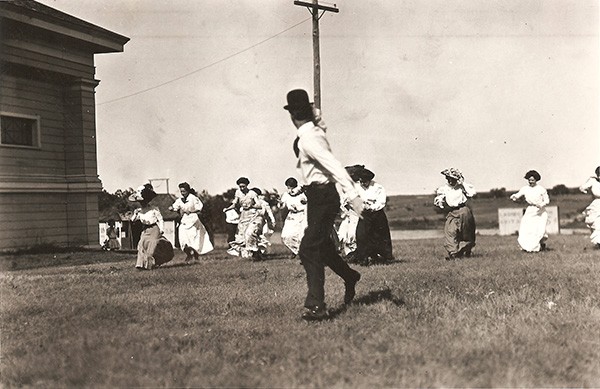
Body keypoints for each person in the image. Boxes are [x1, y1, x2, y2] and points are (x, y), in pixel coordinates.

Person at [284, 89, 363, 321]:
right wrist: (315, 115)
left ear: (292, 115)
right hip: (318, 197)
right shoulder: (315, 130)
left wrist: (353, 196)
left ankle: (316, 305)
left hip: (323, 196)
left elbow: (335, 166)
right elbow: (321, 123)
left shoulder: (308, 138)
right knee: (323, 248)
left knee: (308, 249)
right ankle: (349, 276)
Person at [347, 167, 394, 265]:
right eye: (361, 181)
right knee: (361, 235)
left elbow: (381, 202)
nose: (363, 184)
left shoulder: (378, 188)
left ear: (369, 180)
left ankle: (385, 257)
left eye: (365, 182)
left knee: (380, 235)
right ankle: (363, 258)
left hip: (377, 214)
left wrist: (372, 207)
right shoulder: (357, 187)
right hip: (364, 215)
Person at [434, 168, 477, 260]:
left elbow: (472, 193)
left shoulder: (462, 187)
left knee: (466, 232)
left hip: (464, 211)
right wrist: (440, 202)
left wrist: (462, 183)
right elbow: (439, 198)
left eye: (452, 178)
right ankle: (453, 253)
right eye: (448, 178)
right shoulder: (444, 189)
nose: (450, 180)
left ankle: (466, 250)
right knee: (450, 231)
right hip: (452, 212)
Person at [128, 184, 174, 269]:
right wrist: (135, 214)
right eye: (141, 202)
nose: (142, 204)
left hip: (154, 229)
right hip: (145, 230)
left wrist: (161, 229)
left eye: (144, 202)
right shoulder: (139, 211)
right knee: (141, 244)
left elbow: (160, 219)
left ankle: (149, 265)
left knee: (151, 246)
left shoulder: (154, 209)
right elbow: (132, 220)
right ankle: (140, 265)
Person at [169, 182, 213, 261]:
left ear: (188, 191)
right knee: (183, 239)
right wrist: (172, 208)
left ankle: (195, 255)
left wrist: (191, 211)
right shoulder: (179, 200)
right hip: (185, 220)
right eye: (181, 191)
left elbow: (199, 208)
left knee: (193, 239)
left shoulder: (193, 198)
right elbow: (175, 206)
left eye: (184, 191)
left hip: (193, 220)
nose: (182, 193)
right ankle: (189, 254)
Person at [510, 170, 550, 252]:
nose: (531, 182)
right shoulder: (525, 189)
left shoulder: (541, 189)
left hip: (540, 212)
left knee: (538, 230)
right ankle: (526, 247)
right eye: (529, 180)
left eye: (532, 180)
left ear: (536, 180)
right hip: (530, 211)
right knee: (526, 228)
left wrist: (541, 204)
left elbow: (547, 200)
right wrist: (514, 196)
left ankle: (539, 246)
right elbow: (518, 194)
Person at [224, 177, 262, 259]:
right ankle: (249, 254)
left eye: (243, 186)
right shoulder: (238, 193)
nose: (241, 188)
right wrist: (228, 209)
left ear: (247, 185)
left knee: (250, 233)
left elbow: (259, 205)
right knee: (241, 236)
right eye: (240, 186)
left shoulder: (252, 193)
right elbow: (234, 204)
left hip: (253, 215)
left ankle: (256, 251)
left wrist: (251, 205)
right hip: (243, 216)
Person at [279, 177, 308, 258]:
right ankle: (296, 250)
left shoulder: (303, 194)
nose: (290, 188)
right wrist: (280, 203)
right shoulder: (286, 194)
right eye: (289, 186)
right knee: (285, 236)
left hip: (302, 216)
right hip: (291, 216)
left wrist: (305, 202)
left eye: (292, 186)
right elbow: (282, 205)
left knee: (302, 236)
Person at [579, 166, 600, 248]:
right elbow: (582, 187)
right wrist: (584, 189)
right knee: (596, 224)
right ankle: (599, 244)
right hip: (597, 205)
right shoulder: (593, 181)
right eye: (599, 175)